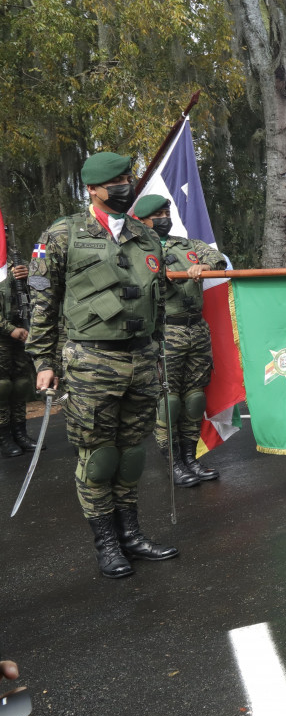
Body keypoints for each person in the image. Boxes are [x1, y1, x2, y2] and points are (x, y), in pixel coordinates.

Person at [27, 152, 178, 579]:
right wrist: (44, 360)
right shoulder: (64, 234)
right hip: (91, 362)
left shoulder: (144, 236)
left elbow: (157, 302)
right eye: (115, 182)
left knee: (131, 455)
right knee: (98, 457)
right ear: (92, 189)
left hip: (141, 360)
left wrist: (159, 352)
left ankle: (131, 535)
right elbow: (43, 301)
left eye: (128, 178)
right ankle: (107, 544)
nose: (125, 186)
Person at [133, 194, 226, 487]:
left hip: (196, 329)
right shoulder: (137, 249)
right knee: (169, 401)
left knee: (194, 398)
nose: (164, 219)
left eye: (166, 213)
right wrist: (160, 276)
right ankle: (174, 464)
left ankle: (191, 458)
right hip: (165, 331)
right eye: (157, 215)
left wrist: (204, 266)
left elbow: (217, 259)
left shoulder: (188, 245)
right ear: (142, 221)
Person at [0, 256, 38, 457]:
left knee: (21, 384)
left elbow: (41, 286)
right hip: (3, 337)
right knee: (2, 387)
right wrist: (9, 329)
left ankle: (20, 434)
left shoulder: (16, 261)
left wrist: (28, 275)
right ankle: (4, 438)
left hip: (21, 332)